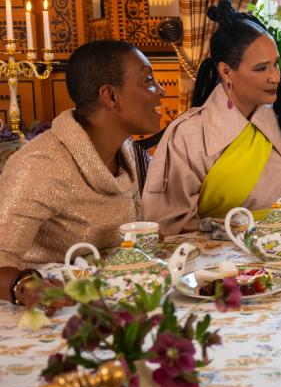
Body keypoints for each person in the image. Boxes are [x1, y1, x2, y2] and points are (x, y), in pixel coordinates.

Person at [142, 0, 281, 234]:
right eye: (261, 68)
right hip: (219, 262)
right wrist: (241, 234)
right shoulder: (188, 135)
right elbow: (169, 228)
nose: (275, 77)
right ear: (226, 71)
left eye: (276, 64)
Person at [0, 41, 164, 306]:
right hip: (49, 311)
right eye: (148, 81)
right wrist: (27, 286)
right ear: (111, 96)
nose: (161, 90)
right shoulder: (41, 164)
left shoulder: (128, 152)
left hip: (108, 299)